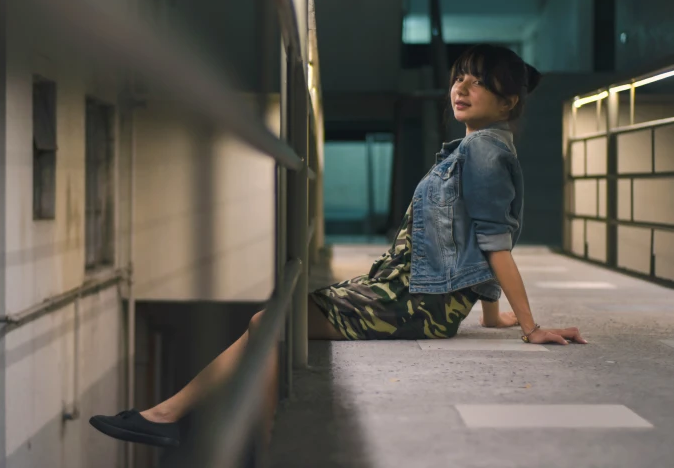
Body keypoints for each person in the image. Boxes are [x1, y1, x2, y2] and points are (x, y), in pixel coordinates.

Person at [89, 43, 587, 449]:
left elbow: (494, 240)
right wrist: (490, 314)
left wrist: (528, 327)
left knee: (271, 324)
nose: (462, 87)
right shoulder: (475, 148)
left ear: (509, 101)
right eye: (459, 76)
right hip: (403, 291)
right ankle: (180, 419)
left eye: (479, 81)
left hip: (412, 302)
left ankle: (181, 419)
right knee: (274, 321)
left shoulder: (482, 151)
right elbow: (476, 237)